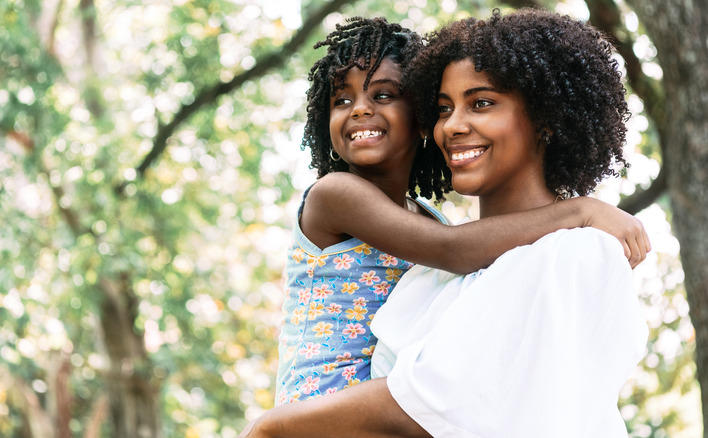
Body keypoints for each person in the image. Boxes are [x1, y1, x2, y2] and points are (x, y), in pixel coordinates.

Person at [242, 8, 649, 437]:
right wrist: (576, 210)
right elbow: (453, 251)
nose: (453, 125)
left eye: (482, 103)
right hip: (320, 397)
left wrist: (275, 427)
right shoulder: (354, 206)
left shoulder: (567, 254)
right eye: (443, 108)